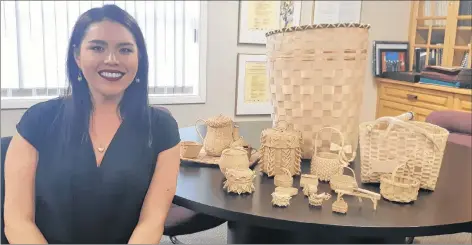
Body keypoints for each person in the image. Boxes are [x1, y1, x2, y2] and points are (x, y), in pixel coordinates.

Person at [3, 4, 181, 244]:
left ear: (139, 58)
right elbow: (17, 220)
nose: (111, 60)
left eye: (125, 49)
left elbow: (152, 222)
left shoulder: (162, 129)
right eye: (97, 47)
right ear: (77, 55)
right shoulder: (38, 121)